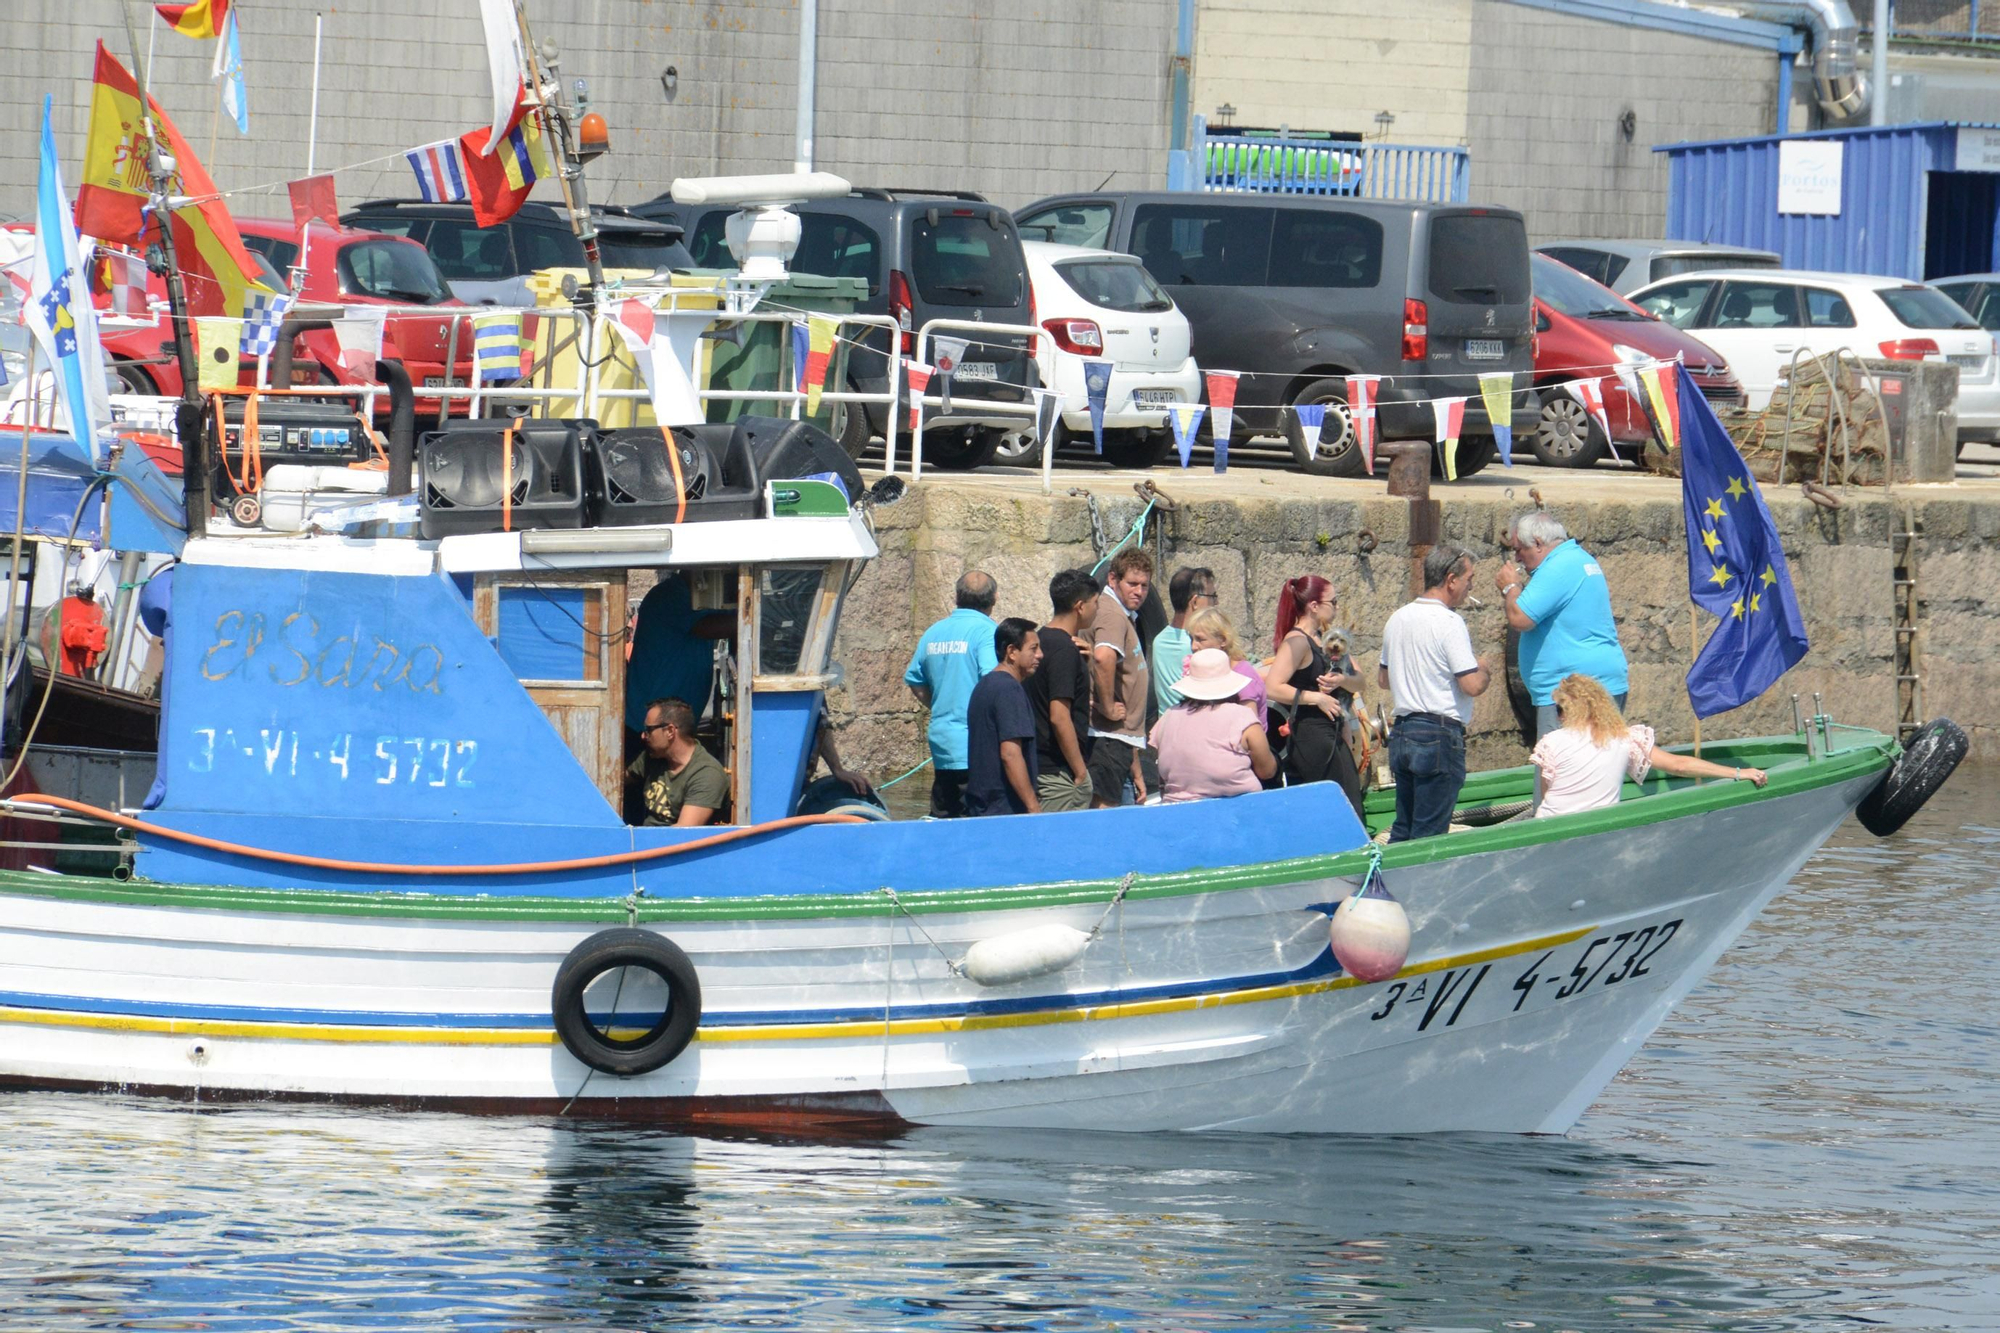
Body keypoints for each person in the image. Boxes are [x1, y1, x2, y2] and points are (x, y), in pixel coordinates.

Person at [1378, 546, 1492, 842]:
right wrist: (1484, 669)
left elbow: (1383, 679)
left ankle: (1391, 885)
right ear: (1451, 579)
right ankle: (1419, 888)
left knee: (1403, 828)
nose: (1472, 586)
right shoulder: (1450, 622)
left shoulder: (1397, 618)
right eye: (1470, 578)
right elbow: (1471, 686)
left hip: (1403, 732)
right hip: (1438, 736)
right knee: (1430, 835)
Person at [1533, 673, 1766, 817]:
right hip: (1597, 829)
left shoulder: (1551, 742)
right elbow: (1679, 765)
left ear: (1567, 711)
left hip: (1550, 827)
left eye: (1559, 710)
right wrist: (1738, 772)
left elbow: (1547, 795)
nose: (1558, 716)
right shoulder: (1625, 738)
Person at [1497, 511, 1629, 740]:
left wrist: (1510, 587)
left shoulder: (1559, 567)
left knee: (1559, 771)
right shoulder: (1580, 559)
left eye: (1519, 549)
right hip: (1595, 686)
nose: (1517, 558)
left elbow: (1520, 618)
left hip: (1573, 695)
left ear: (1538, 543)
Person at [1263, 574, 1364, 815]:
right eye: (1333, 602)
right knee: (1335, 809)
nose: (1337, 607)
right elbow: (1273, 686)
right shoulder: (1297, 641)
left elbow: (1361, 681)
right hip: (1311, 735)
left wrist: (1343, 680)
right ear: (1314, 606)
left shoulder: (1325, 641)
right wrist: (1315, 697)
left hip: (1333, 731)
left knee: (1349, 803)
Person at [904, 570, 1000, 818]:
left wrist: (938, 705)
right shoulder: (987, 633)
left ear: (957, 596)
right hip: (974, 743)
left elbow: (915, 679)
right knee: (976, 820)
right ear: (994, 599)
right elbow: (992, 681)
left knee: (943, 814)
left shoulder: (934, 632)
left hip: (942, 740)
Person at [1150, 648, 1278, 803]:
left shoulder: (1168, 716)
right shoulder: (1242, 717)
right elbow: (1267, 771)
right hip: (1239, 808)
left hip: (1177, 808)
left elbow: (1163, 776)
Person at [624, 574, 733, 743]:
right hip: (647, 728)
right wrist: (758, 613)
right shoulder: (670, 595)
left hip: (672, 729)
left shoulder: (705, 598)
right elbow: (713, 627)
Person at [1026, 568, 1099, 812]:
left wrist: (1084, 667)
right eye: (1095, 603)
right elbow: (1059, 715)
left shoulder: (1039, 640)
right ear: (1080, 606)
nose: (1097, 610)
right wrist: (1080, 773)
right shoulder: (1064, 650)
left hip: (1036, 764)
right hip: (1058, 773)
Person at [1087, 549, 1153, 807]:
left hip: (1120, 741)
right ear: (1112, 579)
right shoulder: (1112, 614)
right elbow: (1104, 658)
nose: (1139, 591)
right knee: (1105, 817)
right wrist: (1106, 707)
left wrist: (1135, 765)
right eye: (1132, 584)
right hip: (1106, 740)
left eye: (1144, 586)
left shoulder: (1121, 614)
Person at [964, 618, 1044, 817]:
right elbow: (1010, 754)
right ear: (1011, 652)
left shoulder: (984, 685)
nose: (1040, 655)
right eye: (1033, 649)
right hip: (1004, 808)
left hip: (981, 806)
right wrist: (1032, 806)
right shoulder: (1009, 689)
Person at [626, 697, 730, 827]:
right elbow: (613, 782)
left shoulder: (707, 774)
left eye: (649, 730)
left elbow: (683, 832)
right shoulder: (651, 757)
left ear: (670, 731)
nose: (643, 736)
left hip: (670, 845)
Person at [1184, 607, 1267, 728]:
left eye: (1200, 639)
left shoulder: (1243, 676)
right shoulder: (1211, 672)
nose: (1193, 647)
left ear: (1223, 640)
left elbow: (1249, 728)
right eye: (1191, 639)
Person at [1151, 565, 1216, 714]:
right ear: (1194, 602)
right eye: (1212, 597)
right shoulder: (1200, 646)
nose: (1216, 604)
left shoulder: (1158, 641)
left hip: (1166, 728)